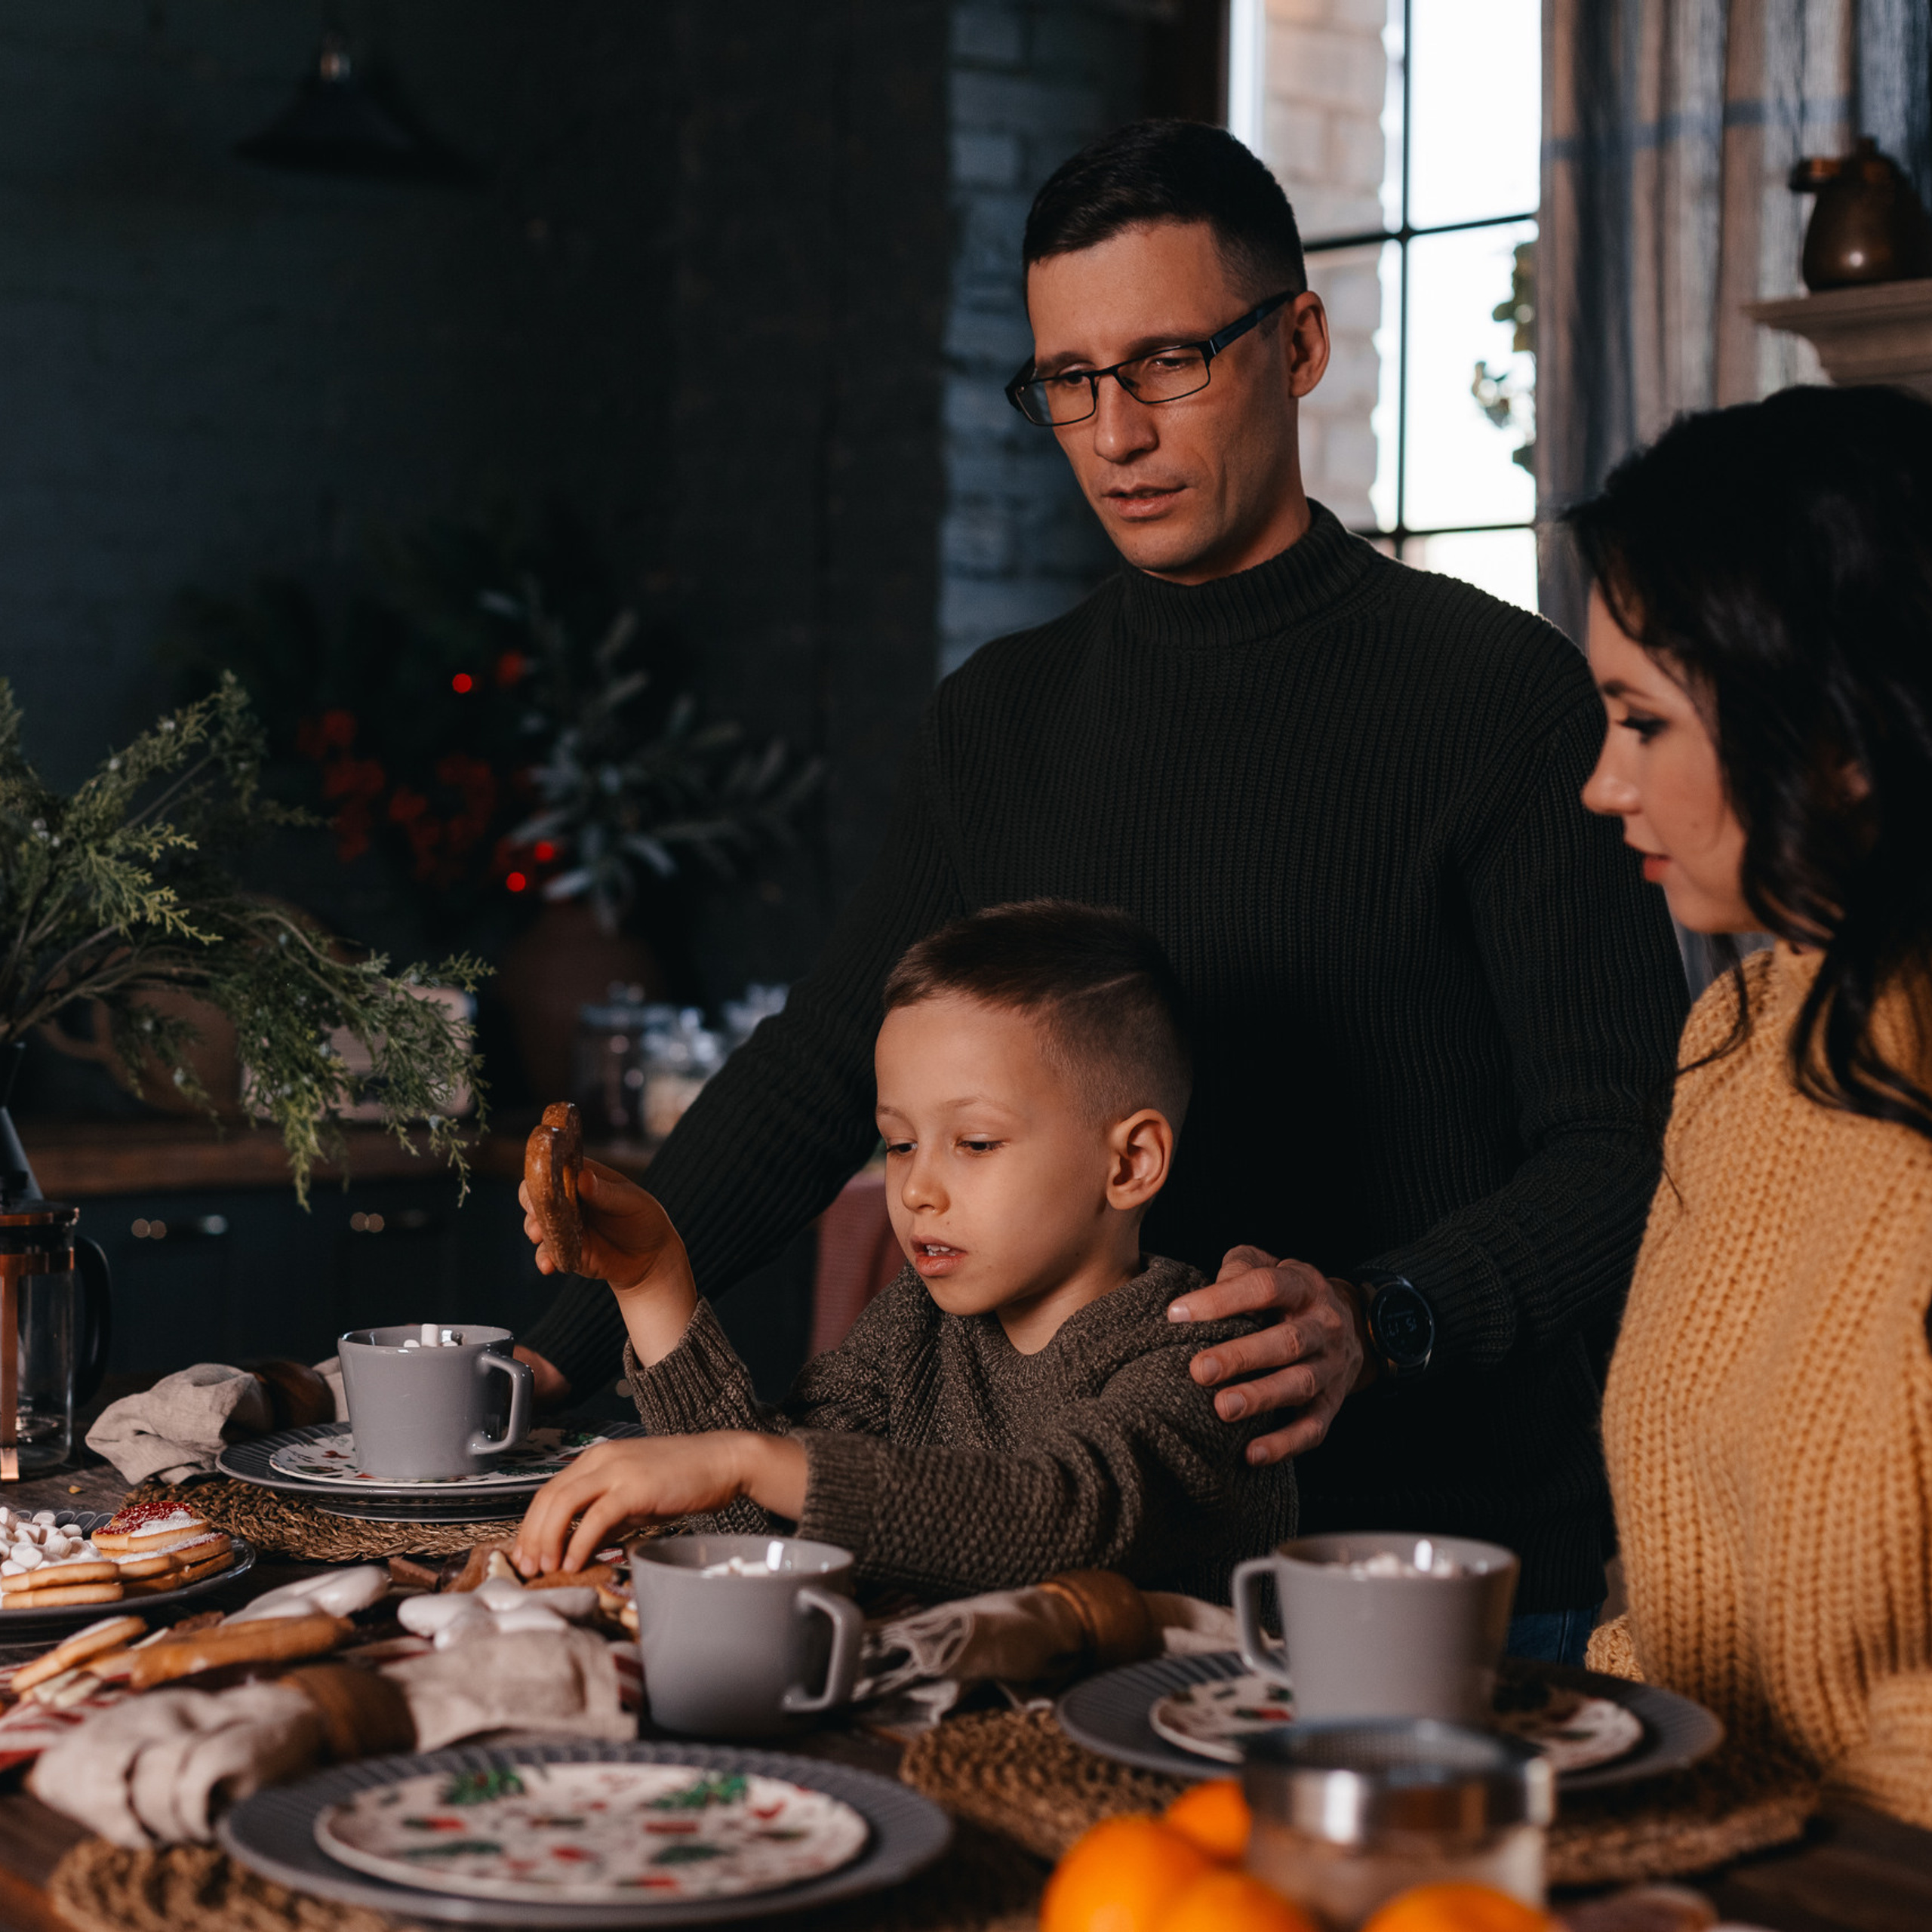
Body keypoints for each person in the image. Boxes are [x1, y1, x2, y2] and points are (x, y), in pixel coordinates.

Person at [518, 120, 1687, 1660]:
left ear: (1299, 341)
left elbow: (1629, 1142)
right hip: (1045, 1586)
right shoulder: (998, 718)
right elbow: (819, 1068)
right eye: (1066, 381)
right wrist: (541, 1356)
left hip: (1428, 1559)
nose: (1113, 431)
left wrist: (1386, 1312)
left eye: (1167, 364)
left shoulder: (1499, 700)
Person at [514, 900, 1297, 1598]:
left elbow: (1059, 1516)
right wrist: (655, 1280)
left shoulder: (1207, 1357)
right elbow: (760, 1529)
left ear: (1130, 1163)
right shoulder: (914, 1329)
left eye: (976, 1142)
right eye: (897, 1144)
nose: (918, 1188)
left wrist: (746, 1459)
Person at [1577, 383, 1932, 1825]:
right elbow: (1671, 1610)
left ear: (1843, 738)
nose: (1604, 784)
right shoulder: (1735, 1035)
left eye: (1642, 722)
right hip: (1683, 1841)